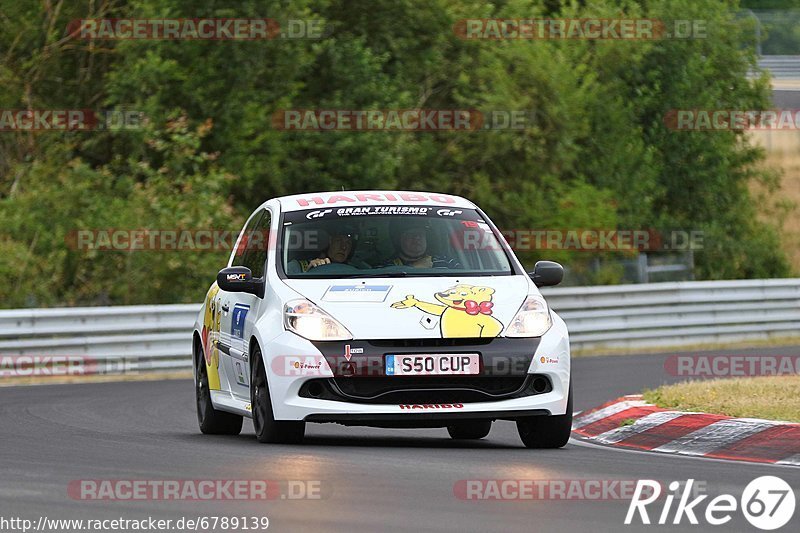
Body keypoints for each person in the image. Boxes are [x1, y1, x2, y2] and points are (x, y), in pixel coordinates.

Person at [382, 219, 460, 269]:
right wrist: (414, 268)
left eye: (421, 234)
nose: (417, 238)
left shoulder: (448, 263)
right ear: (398, 239)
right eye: (411, 234)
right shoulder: (385, 268)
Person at [288, 226, 358, 273]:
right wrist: (309, 272)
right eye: (338, 241)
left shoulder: (358, 269)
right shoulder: (298, 267)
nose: (343, 247)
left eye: (348, 243)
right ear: (330, 241)